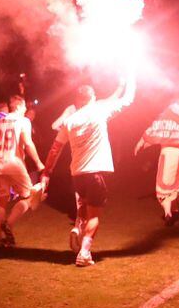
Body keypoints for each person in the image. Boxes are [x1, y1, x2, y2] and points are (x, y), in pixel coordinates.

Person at [43, 70, 136, 267]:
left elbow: (55, 149)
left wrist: (46, 172)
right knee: (94, 215)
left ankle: (78, 228)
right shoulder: (99, 111)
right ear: (92, 97)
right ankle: (84, 253)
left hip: (77, 174)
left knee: (84, 208)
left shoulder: (70, 120)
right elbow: (127, 100)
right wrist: (132, 79)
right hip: (96, 172)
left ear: (78, 100)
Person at [0, 94, 45, 247]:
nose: (25, 110)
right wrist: (38, 163)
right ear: (18, 106)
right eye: (24, 107)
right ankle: (8, 224)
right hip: (14, 163)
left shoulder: (0, 122)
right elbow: (28, 143)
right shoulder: (23, 121)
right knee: (30, 196)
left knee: (2, 201)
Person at [134, 97, 179, 223]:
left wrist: (142, 142)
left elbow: (153, 131)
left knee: (163, 187)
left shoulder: (163, 116)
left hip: (166, 153)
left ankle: (168, 212)